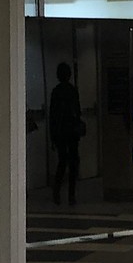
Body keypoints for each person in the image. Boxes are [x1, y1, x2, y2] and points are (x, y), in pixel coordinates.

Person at [47, 62, 83, 205]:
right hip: (72, 132)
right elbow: (77, 111)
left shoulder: (56, 92)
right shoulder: (72, 91)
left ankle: (56, 193)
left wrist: (53, 136)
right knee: (73, 163)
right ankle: (71, 195)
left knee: (62, 163)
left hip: (60, 132)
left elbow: (53, 116)